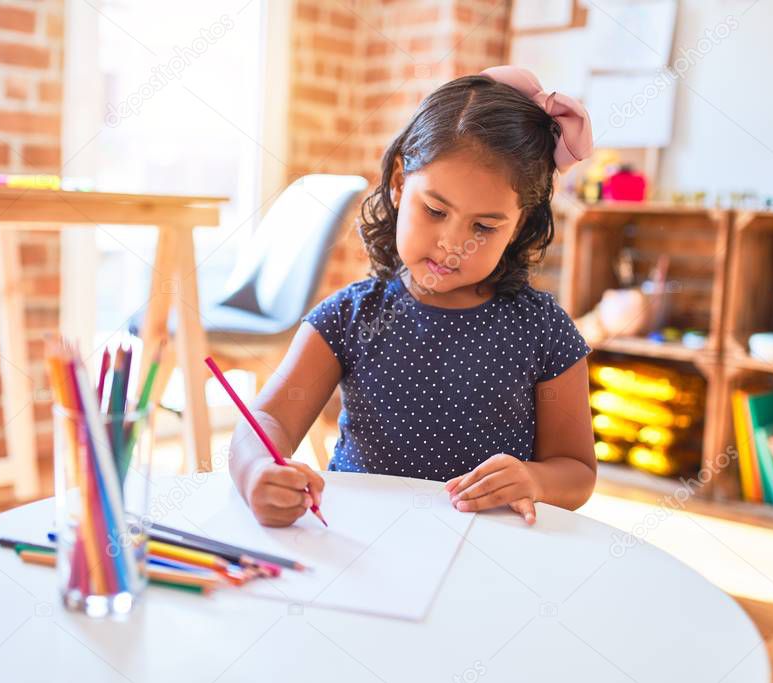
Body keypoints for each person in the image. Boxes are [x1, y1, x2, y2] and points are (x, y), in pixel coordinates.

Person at [228, 65, 597, 527]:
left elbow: (577, 471)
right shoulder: (348, 317)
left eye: (484, 227)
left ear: (519, 224)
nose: (451, 242)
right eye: (436, 210)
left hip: (486, 554)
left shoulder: (543, 331)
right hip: (362, 547)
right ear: (401, 184)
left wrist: (535, 480)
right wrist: (257, 469)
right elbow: (267, 422)